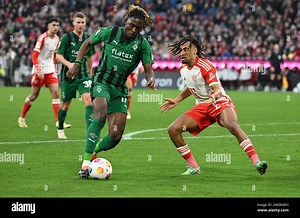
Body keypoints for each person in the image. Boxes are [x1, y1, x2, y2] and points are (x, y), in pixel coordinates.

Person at [66, 5, 157, 178]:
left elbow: (148, 68)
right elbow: (87, 43)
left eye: (138, 28)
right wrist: (77, 64)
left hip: (120, 89)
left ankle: (94, 151)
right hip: (102, 81)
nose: (133, 30)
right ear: (125, 21)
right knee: (100, 114)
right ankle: (85, 165)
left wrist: (150, 78)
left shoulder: (142, 44)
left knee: (115, 135)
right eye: (131, 25)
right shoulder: (109, 32)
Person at [160, 35, 268, 175]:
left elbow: (216, 87)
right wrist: (177, 100)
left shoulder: (206, 65)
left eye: (186, 49)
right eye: (181, 50)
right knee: (173, 129)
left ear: (195, 51)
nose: (182, 53)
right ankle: (193, 167)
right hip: (202, 107)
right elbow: (191, 87)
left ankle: (257, 162)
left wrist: (215, 95)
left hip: (219, 102)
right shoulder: (183, 69)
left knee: (232, 125)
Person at [18, 17, 71, 129]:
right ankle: (22, 117)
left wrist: (54, 69)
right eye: (53, 25)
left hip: (50, 69)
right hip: (39, 69)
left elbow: (54, 56)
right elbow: (34, 55)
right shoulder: (42, 38)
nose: (56, 27)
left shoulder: (57, 39)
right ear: (48, 26)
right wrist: (38, 69)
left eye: (57, 25)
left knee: (56, 93)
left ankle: (58, 122)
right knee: (34, 95)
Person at [56, 12, 95, 139]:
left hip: (83, 76)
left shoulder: (88, 38)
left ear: (85, 23)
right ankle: (60, 127)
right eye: (78, 22)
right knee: (65, 105)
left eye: (82, 22)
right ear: (73, 23)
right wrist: (69, 64)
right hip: (69, 77)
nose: (80, 25)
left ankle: (90, 132)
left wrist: (90, 73)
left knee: (89, 100)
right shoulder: (66, 38)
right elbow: (58, 55)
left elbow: (90, 57)